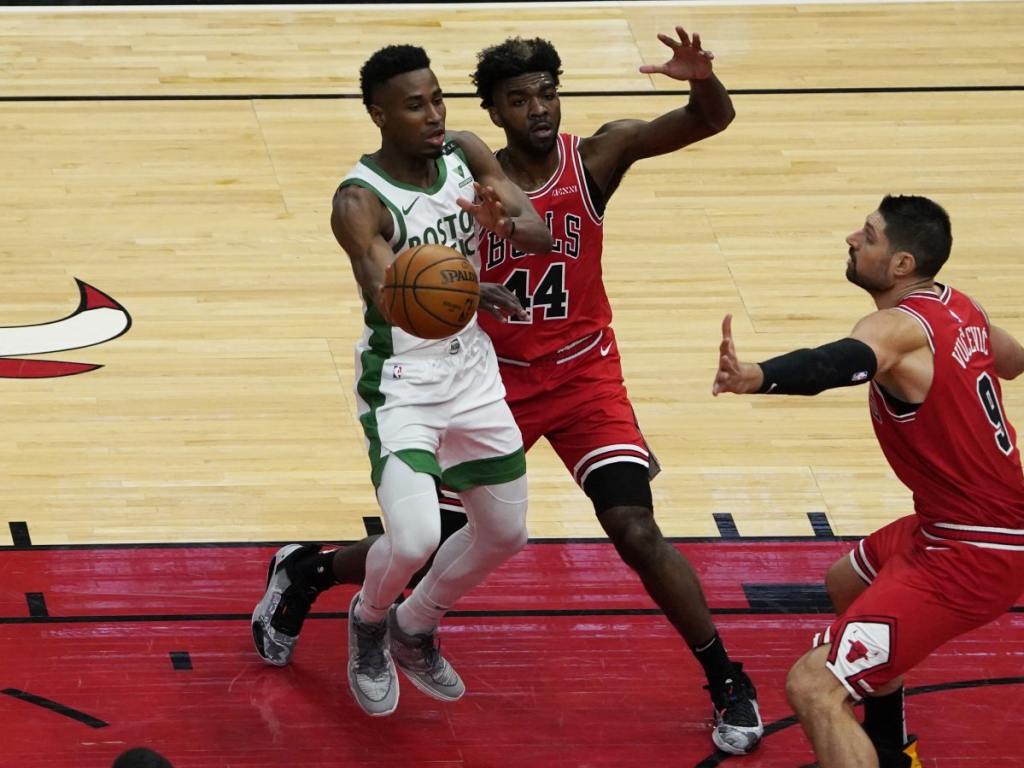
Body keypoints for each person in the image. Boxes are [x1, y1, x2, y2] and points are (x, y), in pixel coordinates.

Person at [253, 29, 762, 755]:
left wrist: (703, 80)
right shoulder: (445, 162)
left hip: (584, 374)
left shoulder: (597, 156)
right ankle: (311, 571)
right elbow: (387, 264)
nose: (539, 111)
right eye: (519, 100)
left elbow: (705, 122)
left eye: (548, 94)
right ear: (492, 111)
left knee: (635, 528)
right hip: (487, 375)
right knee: (428, 542)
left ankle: (726, 678)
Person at [252, 44, 552, 718]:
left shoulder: (467, 152)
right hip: (402, 381)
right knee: (415, 537)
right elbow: (390, 293)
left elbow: (537, 233)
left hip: (471, 372)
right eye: (415, 105)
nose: (435, 114)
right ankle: (367, 620)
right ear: (378, 113)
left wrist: (502, 219)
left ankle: (414, 626)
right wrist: (473, 286)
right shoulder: (359, 201)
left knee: (506, 535)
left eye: (439, 98)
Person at [712, 195, 1024, 767]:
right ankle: (890, 748)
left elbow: (838, 362)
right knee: (846, 584)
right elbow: (1011, 359)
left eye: (870, 235)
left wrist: (756, 376)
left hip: (972, 551)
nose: (852, 239)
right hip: (955, 523)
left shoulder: (894, 328)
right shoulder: (960, 307)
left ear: (902, 264)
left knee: (813, 687)